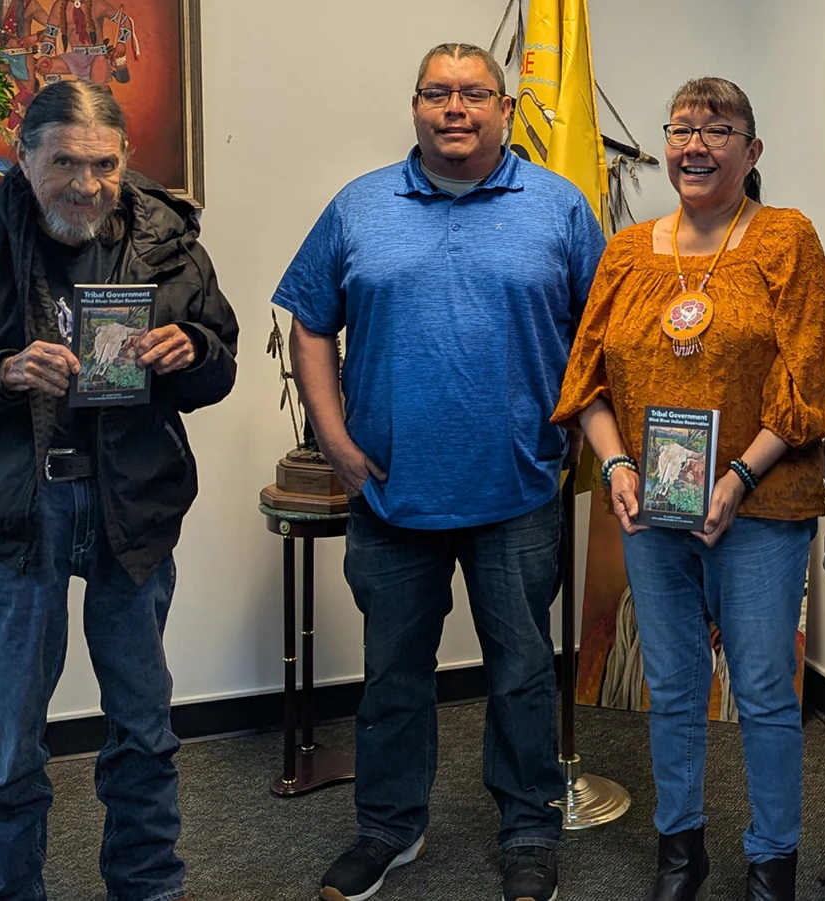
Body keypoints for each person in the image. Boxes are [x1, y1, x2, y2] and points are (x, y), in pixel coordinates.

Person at [0, 80, 238, 901]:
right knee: (11, 740)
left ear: (125, 161)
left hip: (130, 507)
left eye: (103, 164)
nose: (87, 185)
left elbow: (223, 360)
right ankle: (8, 891)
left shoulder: (167, 239)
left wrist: (194, 351)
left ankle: (148, 884)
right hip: (20, 513)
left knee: (144, 725)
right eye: (64, 161)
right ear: (23, 155)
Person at [271, 42, 605, 901]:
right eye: (436, 93)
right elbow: (310, 321)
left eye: (474, 94)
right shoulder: (359, 206)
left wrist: (580, 432)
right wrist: (335, 438)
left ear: (504, 107)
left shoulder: (560, 208)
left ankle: (529, 827)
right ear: (415, 106)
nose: (454, 108)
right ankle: (389, 827)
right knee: (393, 673)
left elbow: (601, 336)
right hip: (390, 490)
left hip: (518, 491)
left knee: (524, 673)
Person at [554, 77, 825, 901]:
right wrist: (614, 463)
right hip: (653, 509)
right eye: (681, 127)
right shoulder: (626, 250)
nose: (695, 144)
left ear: (752, 152)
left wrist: (740, 473)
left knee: (759, 687)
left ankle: (770, 861)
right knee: (675, 685)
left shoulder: (787, 240)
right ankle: (680, 852)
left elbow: (813, 379)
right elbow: (589, 380)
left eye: (719, 129)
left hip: (760, 505)